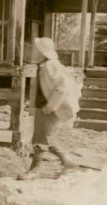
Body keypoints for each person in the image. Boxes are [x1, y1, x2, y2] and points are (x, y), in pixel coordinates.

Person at [17, 37, 79, 180]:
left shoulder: (51, 65)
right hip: (46, 106)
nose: (32, 51)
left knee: (40, 140)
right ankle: (68, 162)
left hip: (52, 108)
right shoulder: (45, 65)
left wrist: (50, 107)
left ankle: (34, 171)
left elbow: (62, 88)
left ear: (41, 52)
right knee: (47, 138)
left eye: (35, 49)